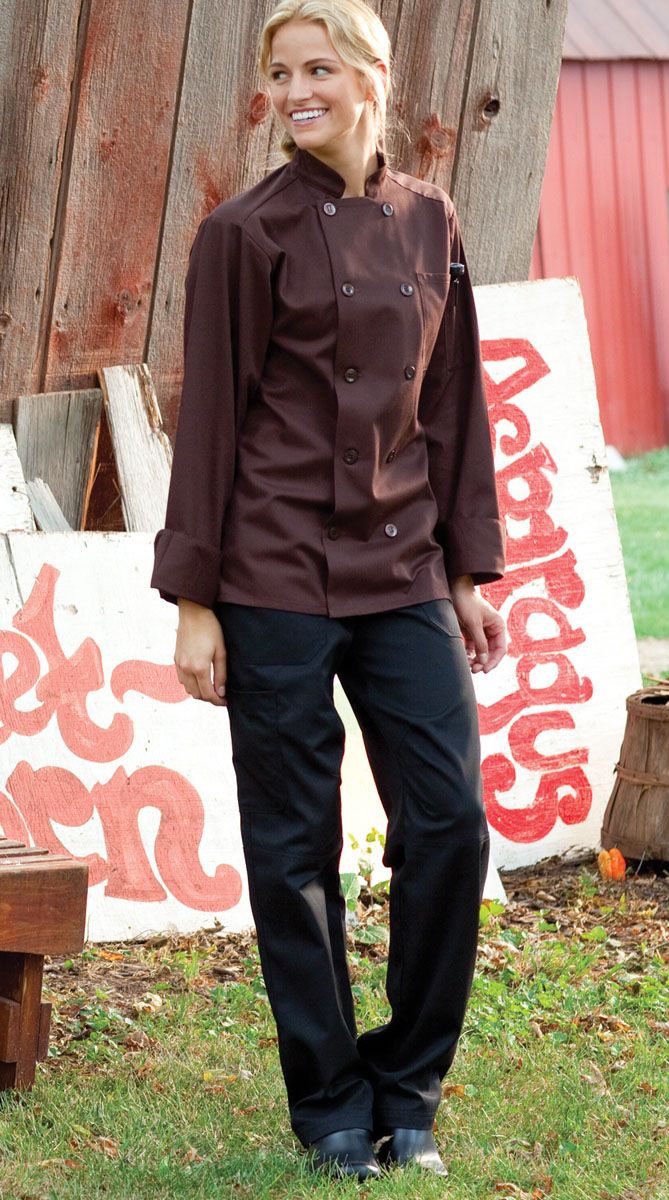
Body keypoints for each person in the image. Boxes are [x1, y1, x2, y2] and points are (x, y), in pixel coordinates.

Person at [150, 0, 507, 1182]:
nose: (295, 90)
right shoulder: (240, 234)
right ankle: (331, 1108)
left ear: (370, 75)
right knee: (292, 846)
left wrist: (468, 572)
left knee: (448, 822)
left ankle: (409, 1086)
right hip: (272, 573)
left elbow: (452, 406)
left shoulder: (430, 220)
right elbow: (210, 421)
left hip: (402, 569)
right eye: (280, 72)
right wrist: (194, 601)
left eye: (317, 68)